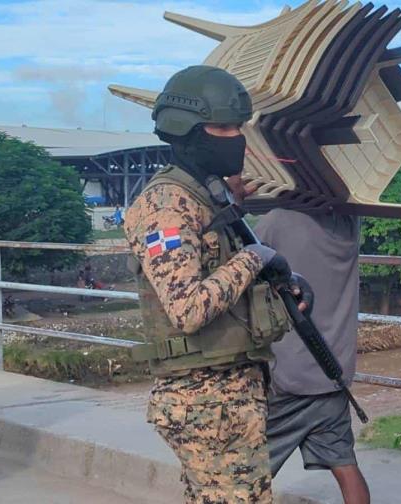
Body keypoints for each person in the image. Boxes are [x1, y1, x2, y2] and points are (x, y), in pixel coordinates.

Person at [123, 65, 295, 504]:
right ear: (189, 132)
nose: (235, 137)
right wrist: (253, 257)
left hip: (224, 396)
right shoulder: (166, 205)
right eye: (223, 127)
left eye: (238, 127)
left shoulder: (205, 197)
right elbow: (187, 308)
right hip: (205, 401)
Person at [254, 207, 370, 504]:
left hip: (285, 376)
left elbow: (246, 266)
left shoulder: (276, 220)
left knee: (248, 469)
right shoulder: (348, 221)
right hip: (333, 372)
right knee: (344, 464)